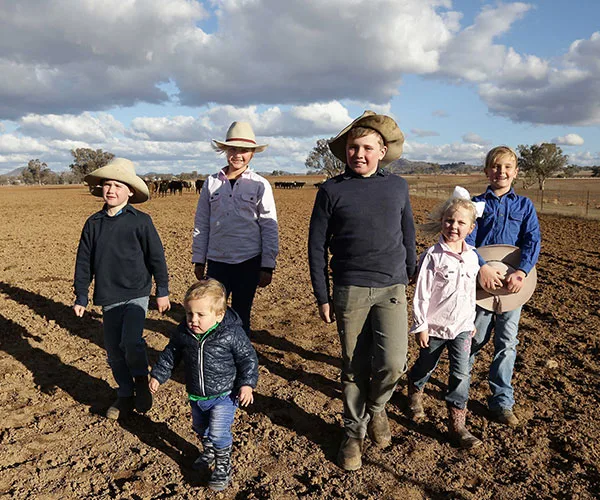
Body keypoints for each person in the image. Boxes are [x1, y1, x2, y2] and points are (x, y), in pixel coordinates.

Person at [308, 111, 417, 471]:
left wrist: (409, 274)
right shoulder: (331, 190)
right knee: (353, 367)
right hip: (350, 288)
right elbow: (316, 245)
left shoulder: (397, 187)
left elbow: (408, 235)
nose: (359, 154)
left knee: (392, 362)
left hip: (391, 287)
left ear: (382, 151)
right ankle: (353, 434)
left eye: (367, 148)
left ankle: (378, 408)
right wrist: (322, 295)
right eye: (353, 148)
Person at [73, 158, 170, 420]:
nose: (111, 190)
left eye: (118, 185)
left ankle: (140, 379)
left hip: (137, 292)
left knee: (131, 341)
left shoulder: (141, 221)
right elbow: (84, 261)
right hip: (108, 295)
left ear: (130, 191)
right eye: (107, 185)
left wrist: (162, 290)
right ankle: (125, 394)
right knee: (114, 349)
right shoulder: (93, 223)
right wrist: (81, 294)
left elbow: (156, 258)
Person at [149, 279, 258, 492]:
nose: (193, 320)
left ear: (219, 315)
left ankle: (223, 466)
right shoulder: (183, 333)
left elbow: (248, 358)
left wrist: (246, 384)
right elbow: (171, 354)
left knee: (218, 432)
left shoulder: (231, 333)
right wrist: (158, 376)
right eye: (190, 314)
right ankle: (208, 451)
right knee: (200, 428)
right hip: (197, 394)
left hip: (225, 395)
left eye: (200, 315)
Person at [466, 145, 541, 426]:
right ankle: (460, 392)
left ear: (515, 173)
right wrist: (481, 267)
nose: (501, 172)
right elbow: (466, 239)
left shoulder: (524, 206)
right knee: (473, 340)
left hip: (512, 288)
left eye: (507, 167)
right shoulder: (474, 204)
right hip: (481, 284)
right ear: (487, 171)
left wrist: (521, 271)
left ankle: (501, 401)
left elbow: (532, 241)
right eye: (496, 166)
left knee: (507, 344)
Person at [406, 187, 484, 449]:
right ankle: (415, 392)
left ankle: (457, 425)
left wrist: (471, 321)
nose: (454, 226)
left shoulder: (473, 257)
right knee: (426, 366)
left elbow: (470, 293)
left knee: (461, 374)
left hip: (462, 327)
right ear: (441, 222)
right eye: (450, 220)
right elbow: (421, 294)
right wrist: (421, 326)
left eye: (461, 222)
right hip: (435, 326)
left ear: (471, 228)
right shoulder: (432, 256)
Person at [192, 121, 279, 335]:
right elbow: (202, 223)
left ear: (252, 153)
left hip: (248, 261)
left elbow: (269, 225)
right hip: (217, 262)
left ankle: (241, 363)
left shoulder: (260, 184)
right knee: (211, 314)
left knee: (241, 315)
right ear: (224, 150)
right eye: (232, 149)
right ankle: (215, 362)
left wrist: (267, 265)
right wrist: (198, 259)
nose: (238, 155)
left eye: (244, 150)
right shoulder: (211, 183)